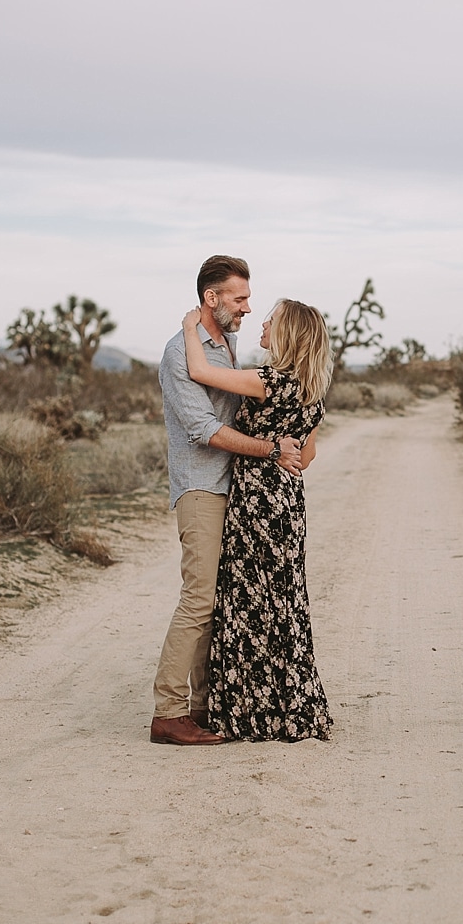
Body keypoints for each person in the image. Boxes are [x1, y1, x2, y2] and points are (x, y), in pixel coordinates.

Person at [150, 254, 309, 746]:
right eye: (239, 298)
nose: (246, 307)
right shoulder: (181, 353)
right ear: (210, 298)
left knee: (222, 599)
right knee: (198, 598)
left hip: (236, 488)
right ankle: (169, 713)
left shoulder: (227, 342)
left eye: (248, 298)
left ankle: (203, 706)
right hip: (203, 486)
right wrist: (270, 450)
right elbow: (201, 428)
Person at [179, 300, 332, 742]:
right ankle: (291, 709)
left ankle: (248, 712)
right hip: (288, 504)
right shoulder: (309, 391)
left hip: (256, 504)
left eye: (272, 320)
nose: (262, 323)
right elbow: (307, 456)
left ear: (289, 334)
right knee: (283, 602)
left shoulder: (268, 381)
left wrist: (191, 328)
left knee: (247, 602)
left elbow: (201, 373)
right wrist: (282, 450)